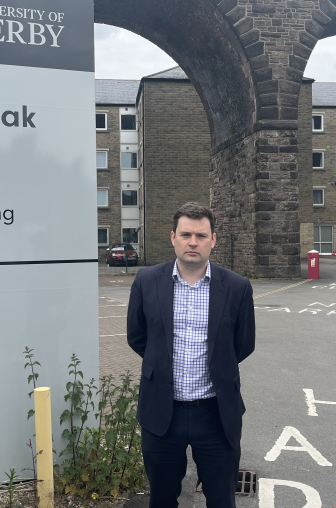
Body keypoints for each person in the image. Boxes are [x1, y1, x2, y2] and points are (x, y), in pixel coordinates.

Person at [127, 202, 256, 507]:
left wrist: (218, 365)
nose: (193, 242)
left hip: (215, 413)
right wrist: (161, 360)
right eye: (186, 234)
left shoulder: (237, 287)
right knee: (161, 499)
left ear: (214, 239)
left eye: (201, 235)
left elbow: (243, 344)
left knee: (222, 500)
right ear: (173, 237)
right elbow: (137, 336)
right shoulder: (147, 281)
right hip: (161, 413)